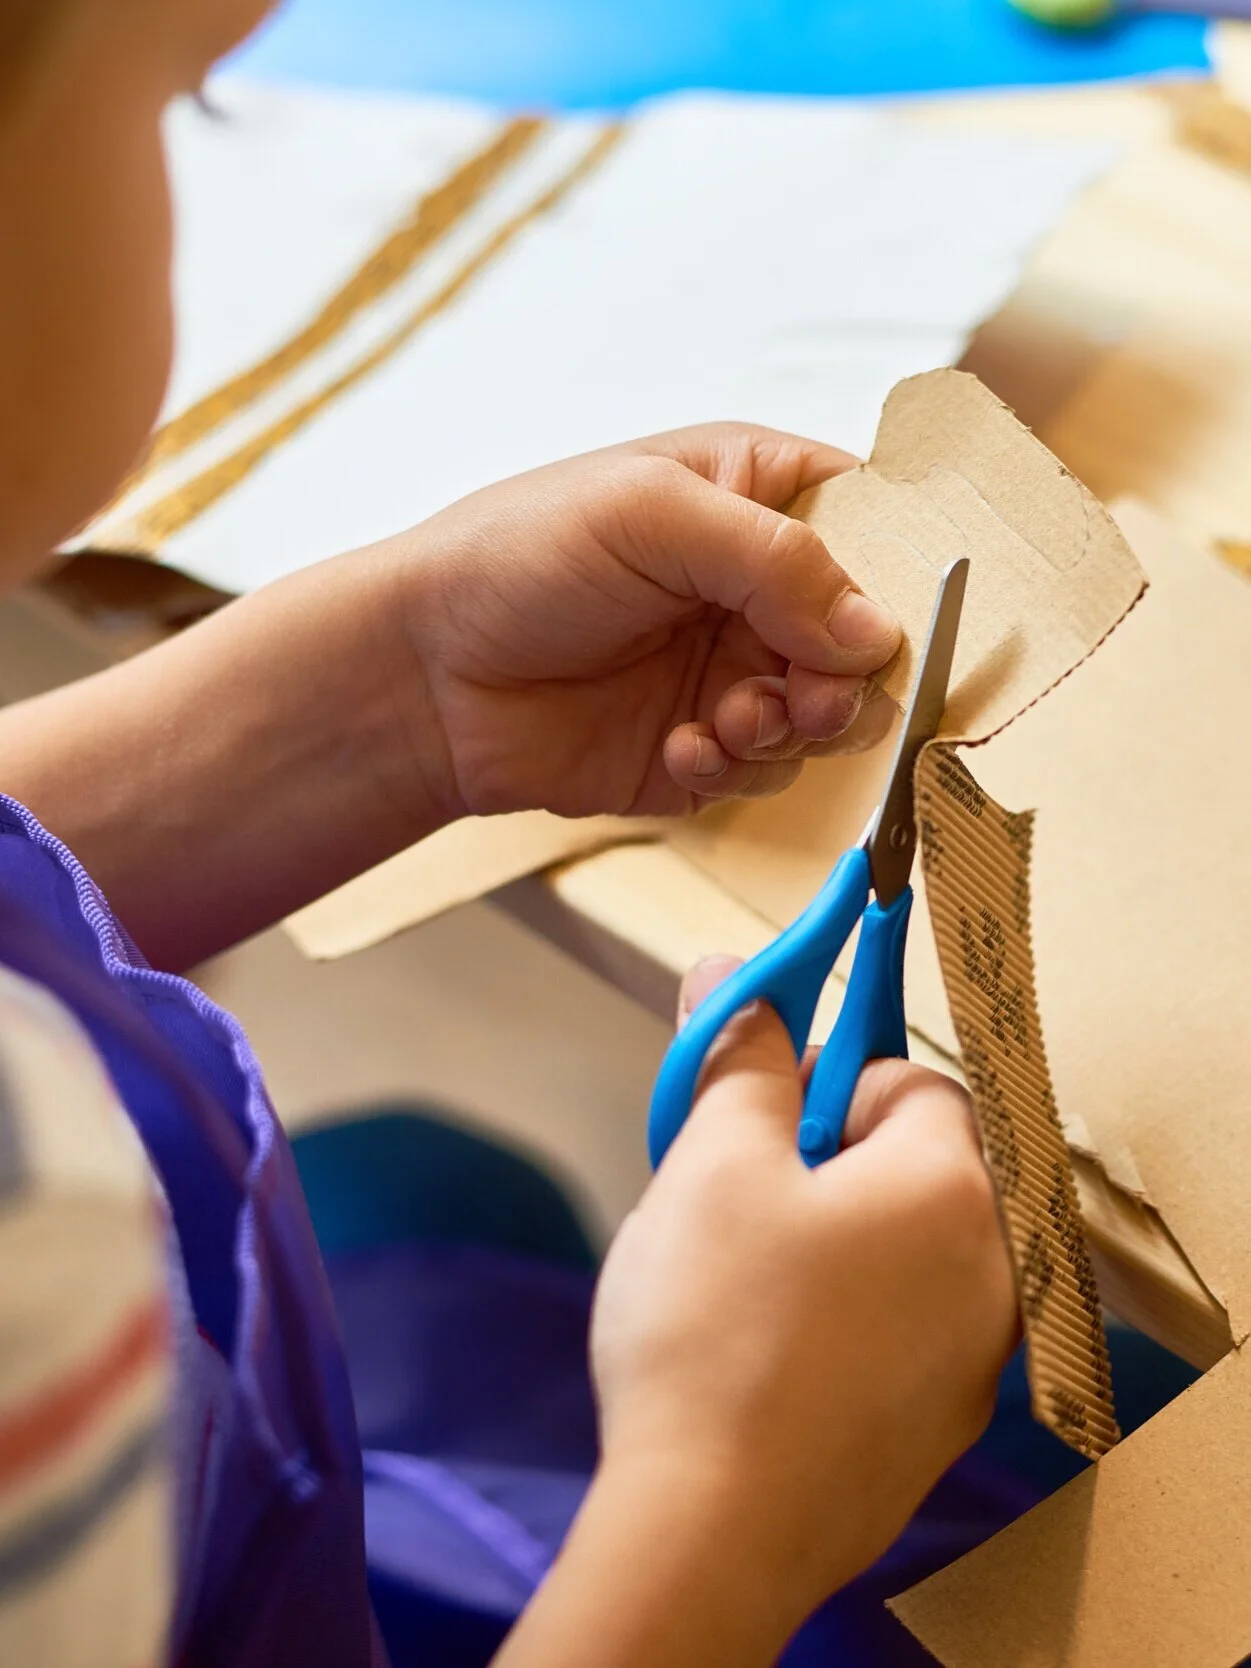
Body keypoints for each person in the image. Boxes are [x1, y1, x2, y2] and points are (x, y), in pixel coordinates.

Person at [0, 1, 1019, 1664]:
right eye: (184, 106)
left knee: (419, 1177)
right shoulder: (26, 1245)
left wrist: (391, 698)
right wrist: (726, 1507)